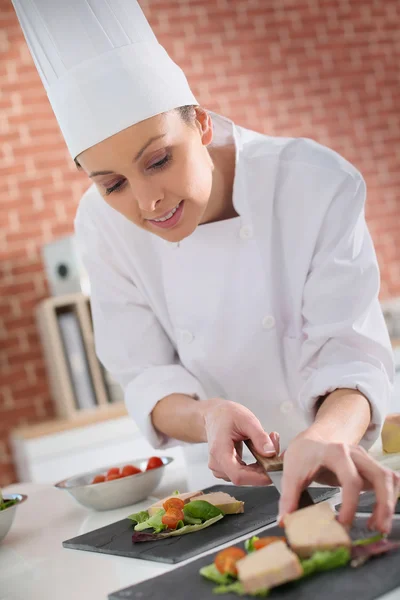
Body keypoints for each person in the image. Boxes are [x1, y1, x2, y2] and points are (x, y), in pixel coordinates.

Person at [12, 0, 399, 533]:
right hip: (223, 495)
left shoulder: (313, 182)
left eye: (158, 160)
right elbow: (147, 376)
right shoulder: (102, 227)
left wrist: (327, 433)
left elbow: (351, 353)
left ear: (200, 122)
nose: (148, 202)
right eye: (113, 184)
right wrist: (206, 416)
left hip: (343, 468)